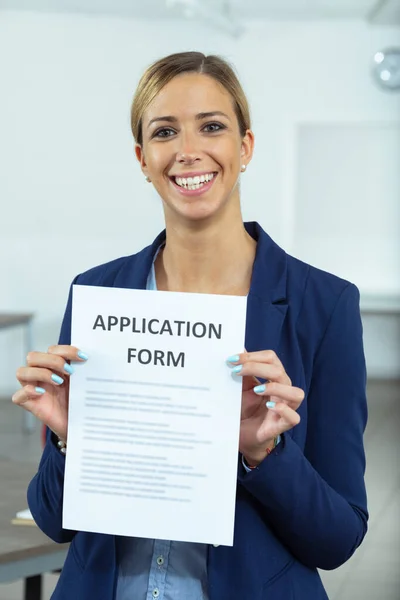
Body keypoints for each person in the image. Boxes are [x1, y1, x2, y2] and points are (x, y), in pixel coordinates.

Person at [12, 51, 368, 600]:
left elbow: (338, 538)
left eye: (212, 126)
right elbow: (56, 522)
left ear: (244, 147)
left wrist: (263, 455)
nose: (187, 150)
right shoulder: (99, 295)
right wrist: (67, 441)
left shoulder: (325, 305)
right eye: (164, 132)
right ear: (142, 157)